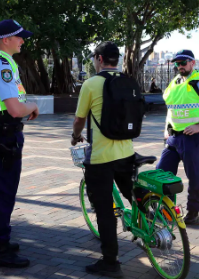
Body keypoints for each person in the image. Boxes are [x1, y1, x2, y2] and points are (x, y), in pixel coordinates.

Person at [70, 41, 136, 278]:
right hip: (127, 153)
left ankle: (110, 261)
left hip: (101, 158)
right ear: (116, 60)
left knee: (104, 210)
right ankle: (152, 225)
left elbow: (79, 120)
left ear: (99, 59)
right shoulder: (128, 81)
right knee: (133, 195)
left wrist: (75, 136)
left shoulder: (91, 84)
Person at [0, 20, 38, 268]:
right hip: (4, 134)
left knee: (0, 189)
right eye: (19, 37)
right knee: (5, 192)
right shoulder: (0, 62)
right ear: (6, 40)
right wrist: (32, 107)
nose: (22, 40)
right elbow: (14, 108)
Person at [156, 50, 199, 225]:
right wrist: (166, 129)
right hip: (172, 138)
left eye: (183, 62)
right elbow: (171, 108)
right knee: (162, 174)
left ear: (192, 63)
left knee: (194, 175)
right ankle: (167, 210)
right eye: (177, 63)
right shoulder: (175, 82)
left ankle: (193, 213)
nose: (180, 66)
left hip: (192, 137)